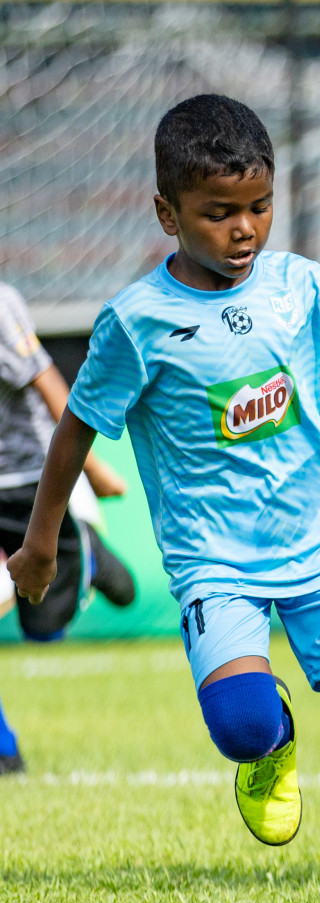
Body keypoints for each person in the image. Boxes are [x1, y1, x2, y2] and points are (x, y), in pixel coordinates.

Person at [6, 94, 320, 842]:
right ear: (166, 213)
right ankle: (269, 745)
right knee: (241, 726)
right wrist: (41, 542)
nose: (244, 228)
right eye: (219, 211)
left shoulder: (300, 288)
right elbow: (75, 430)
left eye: (259, 206)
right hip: (214, 563)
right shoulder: (137, 321)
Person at [1, 283, 138, 774]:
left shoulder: (0, 305)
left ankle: (90, 555)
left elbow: (47, 381)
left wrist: (93, 470)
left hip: (25, 480)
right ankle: (3, 750)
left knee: (43, 629)